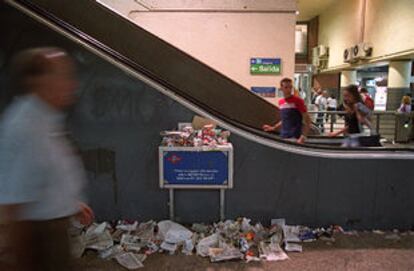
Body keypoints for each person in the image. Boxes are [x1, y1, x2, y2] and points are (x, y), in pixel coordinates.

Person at [0, 47, 94, 271]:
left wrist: (70, 202)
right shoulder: (25, 126)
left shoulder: (46, 118)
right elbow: (14, 205)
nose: (72, 84)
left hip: (54, 231)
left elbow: (46, 173)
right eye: (62, 76)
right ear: (38, 81)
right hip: (38, 238)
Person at [262, 78, 311, 144]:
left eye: (290, 87)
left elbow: (307, 119)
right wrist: (273, 128)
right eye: (286, 87)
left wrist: (303, 137)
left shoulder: (298, 101)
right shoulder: (281, 102)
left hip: (295, 137)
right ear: (281, 88)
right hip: (283, 136)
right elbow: (285, 119)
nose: (289, 90)